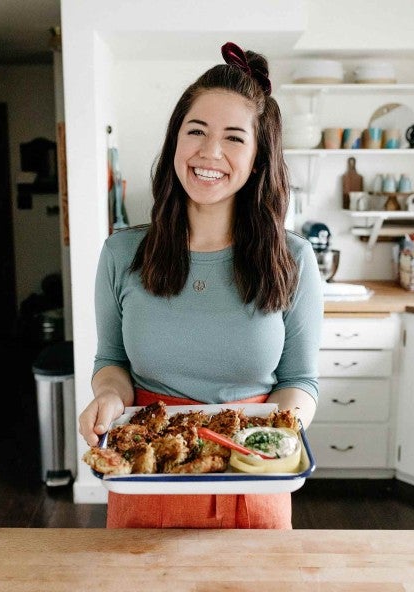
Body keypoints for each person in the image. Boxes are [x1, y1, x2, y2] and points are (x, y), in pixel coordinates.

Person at [79, 41, 323, 529]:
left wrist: (278, 436)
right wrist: (108, 397)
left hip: (253, 478)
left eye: (234, 137)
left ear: (257, 159)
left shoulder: (293, 259)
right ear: (175, 143)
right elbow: (112, 363)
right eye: (196, 131)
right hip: (146, 477)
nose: (210, 152)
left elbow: (299, 382)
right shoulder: (121, 254)